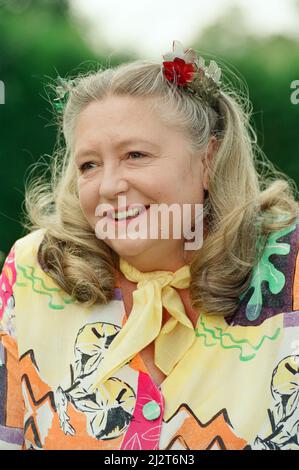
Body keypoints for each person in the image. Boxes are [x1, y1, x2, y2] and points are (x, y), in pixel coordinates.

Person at [0, 40, 298, 451]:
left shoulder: (291, 270)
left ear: (207, 160)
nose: (109, 186)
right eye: (89, 164)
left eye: (135, 155)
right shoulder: (35, 268)